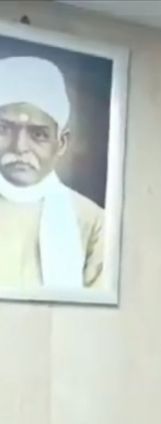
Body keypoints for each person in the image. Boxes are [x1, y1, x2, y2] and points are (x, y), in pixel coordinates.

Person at [0, 55, 104, 290]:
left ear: (61, 143)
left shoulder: (92, 221)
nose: (20, 147)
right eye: (3, 129)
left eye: (38, 134)